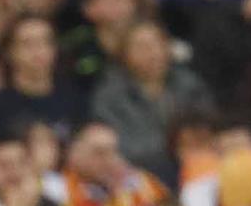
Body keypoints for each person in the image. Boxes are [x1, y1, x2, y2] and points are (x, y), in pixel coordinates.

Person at [91, 18, 212, 178]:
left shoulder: (189, 84)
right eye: (141, 46)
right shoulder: (110, 96)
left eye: (157, 44)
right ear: (124, 54)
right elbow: (122, 147)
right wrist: (175, 150)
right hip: (139, 174)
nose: (152, 52)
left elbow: (206, 128)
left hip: (196, 169)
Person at [60, 119, 170, 206]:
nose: (110, 160)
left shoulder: (143, 185)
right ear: (72, 152)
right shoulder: (55, 188)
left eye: (113, 151)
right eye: (99, 153)